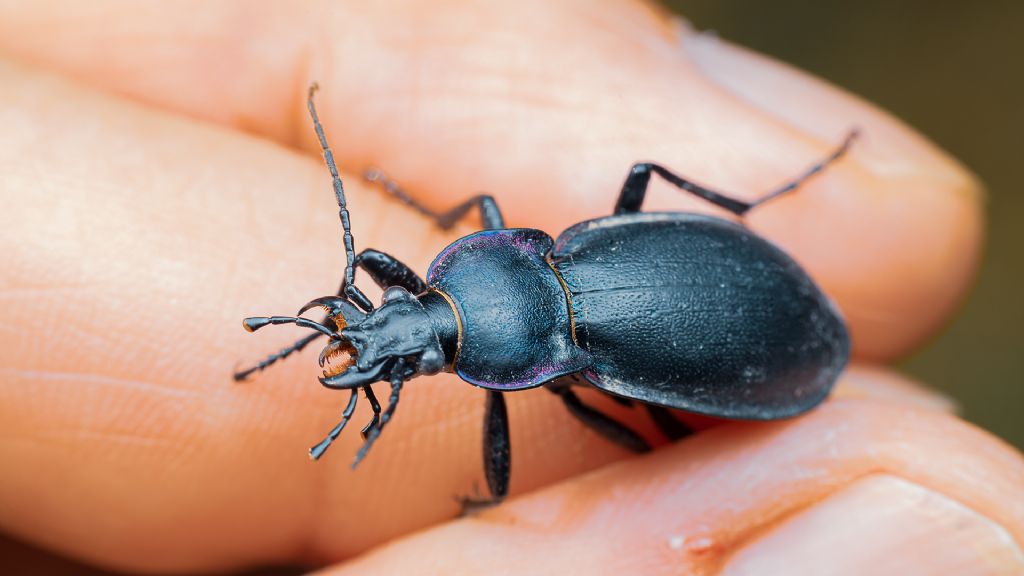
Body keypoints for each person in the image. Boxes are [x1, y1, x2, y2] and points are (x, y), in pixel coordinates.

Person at [0, 2, 1019, 574]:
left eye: (408, 325)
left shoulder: (562, 352)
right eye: (411, 324)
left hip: (774, 343)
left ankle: (771, 192)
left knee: (637, 438)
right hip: (756, 327)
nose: (388, 329)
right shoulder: (519, 275)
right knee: (627, 405)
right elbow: (472, 220)